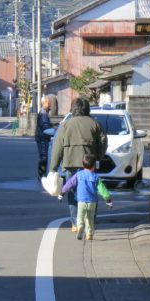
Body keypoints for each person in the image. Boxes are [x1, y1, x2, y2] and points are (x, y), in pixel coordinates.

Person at [49, 97, 107, 232]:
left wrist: (53, 167)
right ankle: (90, 220)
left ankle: (75, 222)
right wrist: (98, 157)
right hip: (89, 163)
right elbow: (103, 141)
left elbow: (57, 147)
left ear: (73, 109)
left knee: (73, 191)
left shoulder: (65, 125)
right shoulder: (95, 124)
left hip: (70, 163)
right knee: (92, 190)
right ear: (87, 109)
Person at [59, 154, 112, 240]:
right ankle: (89, 234)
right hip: (92, 202)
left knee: (80, 216)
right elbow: (102, 189)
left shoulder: (78, 175)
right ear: (94, 166)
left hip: (81, 202)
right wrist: (108, 199)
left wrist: (62, 193)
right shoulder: (96, 177)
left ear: (83, 165)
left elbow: (69, 184)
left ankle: (80, 227)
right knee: (90, 219)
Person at [35, 96, 52, 179]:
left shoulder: (44, 112)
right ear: (44, 103)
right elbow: (45, 126)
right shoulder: (43, 113)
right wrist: (51, 130)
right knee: (44, 157)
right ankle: (41, 174)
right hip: (43, 138)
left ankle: (42, 174)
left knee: (44, 156)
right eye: (49, 103)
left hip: (42, 137)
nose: (50, 104)